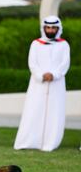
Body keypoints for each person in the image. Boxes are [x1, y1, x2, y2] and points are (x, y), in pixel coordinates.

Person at [14, 15, 70, 152]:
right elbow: (32, 63)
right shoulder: (36, 44)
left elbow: (65, 64)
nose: (50, 30)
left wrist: (54, 75)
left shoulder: (64, 44)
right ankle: (28, 142)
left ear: (58, 29)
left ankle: (50, 143)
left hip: (57, 85)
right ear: (44, 28)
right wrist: (41, 75)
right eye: (48, 27)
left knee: (55, 113)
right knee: (33, 111)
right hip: (37, 84)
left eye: (53, 28)